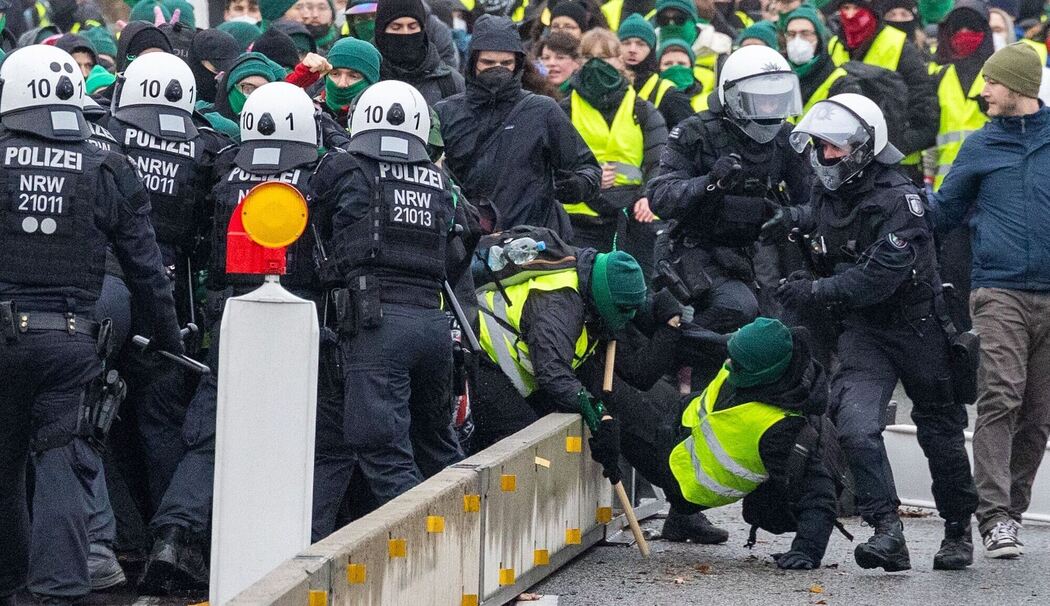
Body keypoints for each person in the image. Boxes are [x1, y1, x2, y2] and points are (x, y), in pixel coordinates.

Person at [0, 44, 182, 605]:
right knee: (62, 464)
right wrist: (168, 341)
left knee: (6, 467)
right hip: (74, 340)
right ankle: (58, 592)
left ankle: (10, 585)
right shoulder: (106, 163)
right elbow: (147, 269)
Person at [768, 92, 978, 572]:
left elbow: (875, 278)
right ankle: (887, 530)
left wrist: (816, 291)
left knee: (941, 430)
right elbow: (821, 224)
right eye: (819, 148)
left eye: (834, 149)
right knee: (857, 426)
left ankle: (957, 529)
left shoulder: (900, 201)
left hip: (918, 326)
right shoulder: (827, 192)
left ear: (863, 148)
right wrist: (789, 220)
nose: (825, 157)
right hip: (864, 332)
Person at [139, 81, 330, 593]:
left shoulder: (225, 171)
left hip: (233, 316)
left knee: (213, 431)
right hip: (300, 317)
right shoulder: (319, 173)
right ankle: (294, 548)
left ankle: (175, 538)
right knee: (308, 433)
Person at [928, 42, 1050, 560]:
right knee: (1000, 395)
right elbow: (941, 213)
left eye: (991, 83)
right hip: (998, 290)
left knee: (1039, 414)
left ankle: (1013, 513)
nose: (983, 92)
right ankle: (993, 516)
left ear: (1019, 87)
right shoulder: (979, 146)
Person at [588, 317, 838, 567]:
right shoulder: (760, 360)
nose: (728, 364)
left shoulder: (781, 429)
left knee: (602, 382)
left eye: (736, 363)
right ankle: (681, 521)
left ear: (762, 373)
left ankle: (683, 513)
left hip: (677, 474)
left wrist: (807, 550)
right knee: (623, 375)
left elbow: (820, 494)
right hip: (676, 423)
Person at [323, 80, 464, 514]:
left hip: (376, 323)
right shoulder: (438, 180)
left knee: (383, 452)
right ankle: (473, 530)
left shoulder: (345, 168)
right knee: (436, 444)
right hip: (433, 324)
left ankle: (432, 545)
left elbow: (314, 217)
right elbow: (462, 238)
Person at [647, 45, 810, 380]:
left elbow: (815, 202)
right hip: (689, 250)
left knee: (776, 328)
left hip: (744, 256)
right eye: (761, 100)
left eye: (778, 100)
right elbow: (659, 197)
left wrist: (791, 217)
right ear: (734, 99)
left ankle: (700, 368)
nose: (771, 109)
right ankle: (661, 348)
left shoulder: (784, 140)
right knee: (737, 308)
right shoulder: (695, 132)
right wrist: (709, 182)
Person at [436, 15, 600, 240]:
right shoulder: (446, 112)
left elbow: (588, 170)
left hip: (531, 245)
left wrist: (577, 185)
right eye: (488, 63)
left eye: (506, 63)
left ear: (518, 64)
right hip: (465, 244)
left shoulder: (542, 110)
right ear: (473, 63)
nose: (497, 69)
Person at [560, 29, 666, 255]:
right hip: (579, 216)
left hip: (630, 213)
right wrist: (586, 179)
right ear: (579, 62)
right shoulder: (564, 109)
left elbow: (659, 161)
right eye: (589, 58)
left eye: (604, 58)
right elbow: (551, 165)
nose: (596, 65)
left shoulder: (642, 110)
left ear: (620, 61)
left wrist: (648, 196)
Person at [825, 0, 938, 184]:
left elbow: (925, 108)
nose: (851, 15)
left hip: (898, 165)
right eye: (845, 8)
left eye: (857, 9)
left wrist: (892, 146)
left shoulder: (899, 44)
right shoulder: (834, 46)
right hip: (842, 161)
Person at [374, 0, 465, 105]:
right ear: (381, 31)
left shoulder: (450, 82)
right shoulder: (365, 76)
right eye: (396, 27)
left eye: (412, 27)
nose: (405, 33)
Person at [779, 5, 863, 117]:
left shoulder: (841, 82)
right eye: (791, 34)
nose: (797, 40)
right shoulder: (779, 75)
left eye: (805, 34)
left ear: (819, 38)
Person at [617, 11, 693, 127]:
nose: (632, 49)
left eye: (640, 44)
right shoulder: (609, 86)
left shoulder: (669, 94)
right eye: (626, 43)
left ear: (651, 49)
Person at [314, 36, 381, 127]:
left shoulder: (380, 121)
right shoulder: (309, 112)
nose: (342, 84)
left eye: (353, 76)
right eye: (335, 74)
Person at [537, 30, 582, 96]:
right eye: (546, 58)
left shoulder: (583, 93)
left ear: (576, 62)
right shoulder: (531, 93)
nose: (551, 63)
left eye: (560, 58)